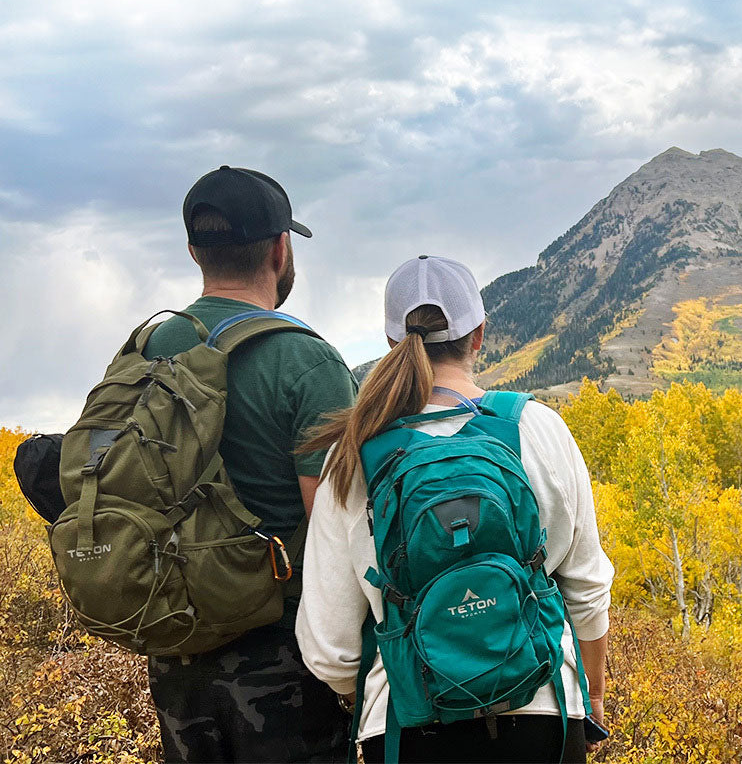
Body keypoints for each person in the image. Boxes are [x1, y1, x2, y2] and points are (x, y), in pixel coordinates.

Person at [296, 255, 613, 764]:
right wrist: (592, 694)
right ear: (480, 334)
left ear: (390, 344)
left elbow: (330, 648)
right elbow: (588, 590)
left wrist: (382, 688)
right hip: (544, 717)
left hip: (407, 725)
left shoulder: (357, 451)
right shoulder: (537, 427)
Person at [145, 166, 357, 763]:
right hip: (281, 661)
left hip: (175, 649)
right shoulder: (309, 364)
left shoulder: (148, 350)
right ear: (280, 248)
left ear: (194, 250)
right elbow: (333, 529)